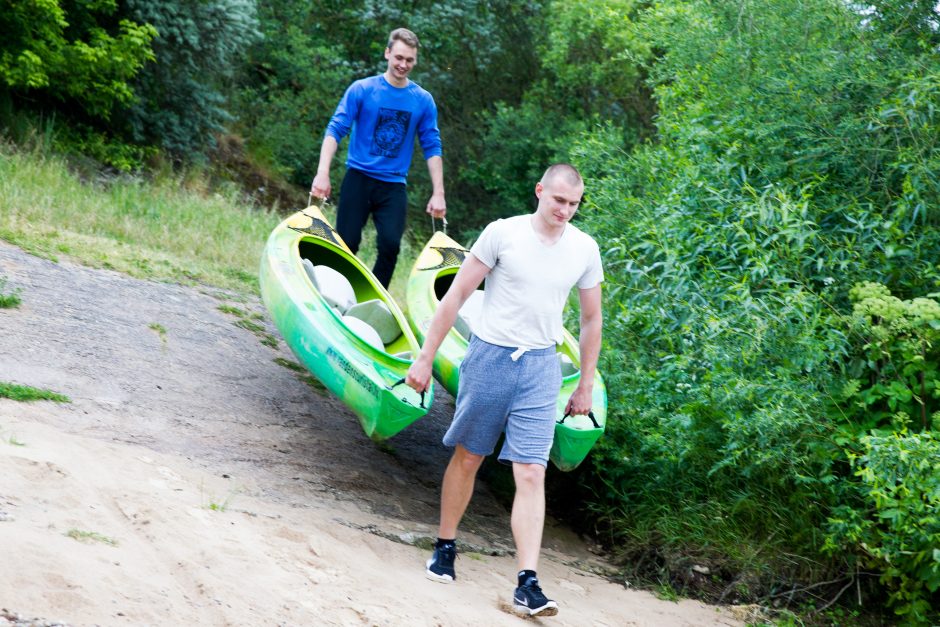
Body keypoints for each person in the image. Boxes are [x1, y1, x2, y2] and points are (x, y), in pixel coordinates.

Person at [405, 163, 603, 618]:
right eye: (558, 200)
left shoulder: (584, 249)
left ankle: (527, 582)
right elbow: (455, 296)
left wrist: (585, 383)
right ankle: (446, 544)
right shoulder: (503, 233)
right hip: (490, 357)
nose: (565, 211)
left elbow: (591, 319)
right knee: (470, 455)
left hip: (541, 367)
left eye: (574, 204)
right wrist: (424, 356)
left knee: (532, 471)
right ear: (540, 192)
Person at [310, 27, 446, 288]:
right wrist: (322, 173)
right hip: (358, 178)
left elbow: (432, 146)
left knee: (390, 245)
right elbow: (336, 129)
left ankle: (371, 296)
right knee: (347, 242)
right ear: (387, 53)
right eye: (399, 57)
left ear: (415, 61)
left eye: (409, 60)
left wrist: (438, 192)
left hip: (393, 185)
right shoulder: (362, 89)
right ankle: (333, 291)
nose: (403, 65)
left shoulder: (422, 100)